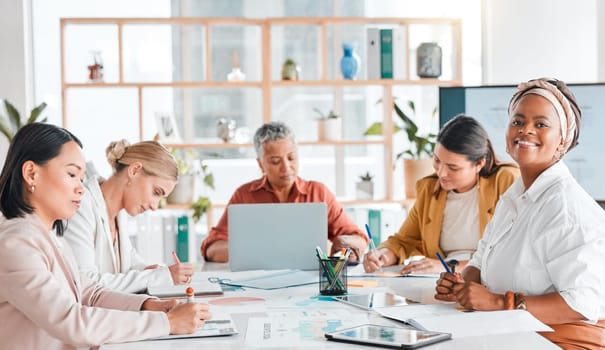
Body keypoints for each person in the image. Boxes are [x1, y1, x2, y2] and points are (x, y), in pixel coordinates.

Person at [435, 78, 605, 349]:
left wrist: (496, 302)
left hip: (579, 341)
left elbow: (581, 303)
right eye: (517, 121)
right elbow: (480, 261)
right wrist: (461, 284)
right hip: (527, 335)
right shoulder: (515, 196)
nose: (526, 130)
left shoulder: (567, 207)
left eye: (541, 124)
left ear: (563, 140)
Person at [0, 123, 210, 349]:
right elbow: (72, 322)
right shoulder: (16, 243)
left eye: (81, 178)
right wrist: (166, 322)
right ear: (31, 173)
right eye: (71, 174)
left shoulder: (50, 236)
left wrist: (150, 305)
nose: (81, 188)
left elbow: (90, 294)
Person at [363, 115, 519, 274]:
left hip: (491, 283)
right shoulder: (429, 189)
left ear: (479, 163)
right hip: (443, 283)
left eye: (453, 167)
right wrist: (384, 254)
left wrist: (450, 266)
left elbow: (514, 251)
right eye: (437, 160)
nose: (441, 173)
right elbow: (405, 241)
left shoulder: (507, 181)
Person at [201, 121, 368, 262]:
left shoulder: (318, 193)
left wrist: (344, 242)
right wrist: (258, 251)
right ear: (260, 164)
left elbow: (360, 239)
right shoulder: (244, 195)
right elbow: (212, 248)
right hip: (256, 281)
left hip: (308, 283)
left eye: (291, 158)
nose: (286, 168)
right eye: (275, 161)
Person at [64, 140, 194, 293]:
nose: (154, 206)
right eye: (156, 192)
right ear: (134, 171)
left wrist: (152, 270)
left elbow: (130, 261)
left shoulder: (119, 213)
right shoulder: (81, 206)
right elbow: (85, 283)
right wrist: (158, 277)